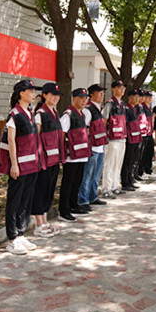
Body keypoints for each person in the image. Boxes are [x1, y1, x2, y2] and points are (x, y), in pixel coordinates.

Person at [0, 80, 43, 254]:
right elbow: (11, 140)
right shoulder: (15, 114)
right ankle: (12, 238)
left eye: (34, 91)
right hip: (20, 166)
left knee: (26, 201)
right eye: (31, 91)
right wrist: (14, 165)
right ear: (21, 93)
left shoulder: (29, 112)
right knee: (15, 201)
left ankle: (21, 233)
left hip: (31, 165)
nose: (34, 94)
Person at [32, 82, 65, 237]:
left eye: (57, 95)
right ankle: (39, 223)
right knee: (41, 190)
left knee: (49, 191)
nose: (56, 98)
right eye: (52, 94)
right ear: (44, 95)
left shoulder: (55, 113)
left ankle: (45, 221)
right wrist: (39, 160)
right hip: (44, 160)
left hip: (54, 159)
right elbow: (35, 139)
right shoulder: (40, 114)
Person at [60, 88, 93, 221]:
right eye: (81, 98)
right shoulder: (68, 115)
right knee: (68, 183)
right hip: (70, 156)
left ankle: (74, 205)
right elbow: (61, 136)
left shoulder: (82, 115)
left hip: (81, 155)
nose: (84, 101)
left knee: (77, 182)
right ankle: (64, 210)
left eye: (86, 98)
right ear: (74, 98)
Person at [79, 83, 109, 210]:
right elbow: (84, 130)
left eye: (103, 93)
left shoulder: (98, 108)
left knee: (96, 175)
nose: (102, 95)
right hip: (92, 148)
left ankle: (92, 196)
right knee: (87, 175)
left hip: (100, 147)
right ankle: (83, 200)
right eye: (99, 93)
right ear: (91, 95)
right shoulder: (88, 109)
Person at [101, 81, 128, 198]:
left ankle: (115, 186)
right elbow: (104, 121)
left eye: (123, 88)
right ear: (113, 89)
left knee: (118, 164)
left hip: (121, 138)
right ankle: (106, 189)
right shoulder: (109, 104)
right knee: (109, 164)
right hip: (111, 139)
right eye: (119, 88)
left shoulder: (122, 104)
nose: (122, 90)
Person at [120, 89, 142, 192]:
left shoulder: (135, 109)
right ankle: (125, 182)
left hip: (136, 139)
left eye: (138, 97)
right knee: (127, 161)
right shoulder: (127, 109)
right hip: (130, 139)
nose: (137, 99)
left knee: (132, 160)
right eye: (135, 97)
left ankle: (130, 180)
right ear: (129, 98)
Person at [137, 90, 156, 181]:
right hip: (144, 133)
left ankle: (148, 169)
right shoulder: (142, 107)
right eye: (147, 97)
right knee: (143, 154)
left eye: (150, 97)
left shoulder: (148, 108)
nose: (149, 99)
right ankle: (141, 171)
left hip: (149, 132)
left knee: (150, 152)